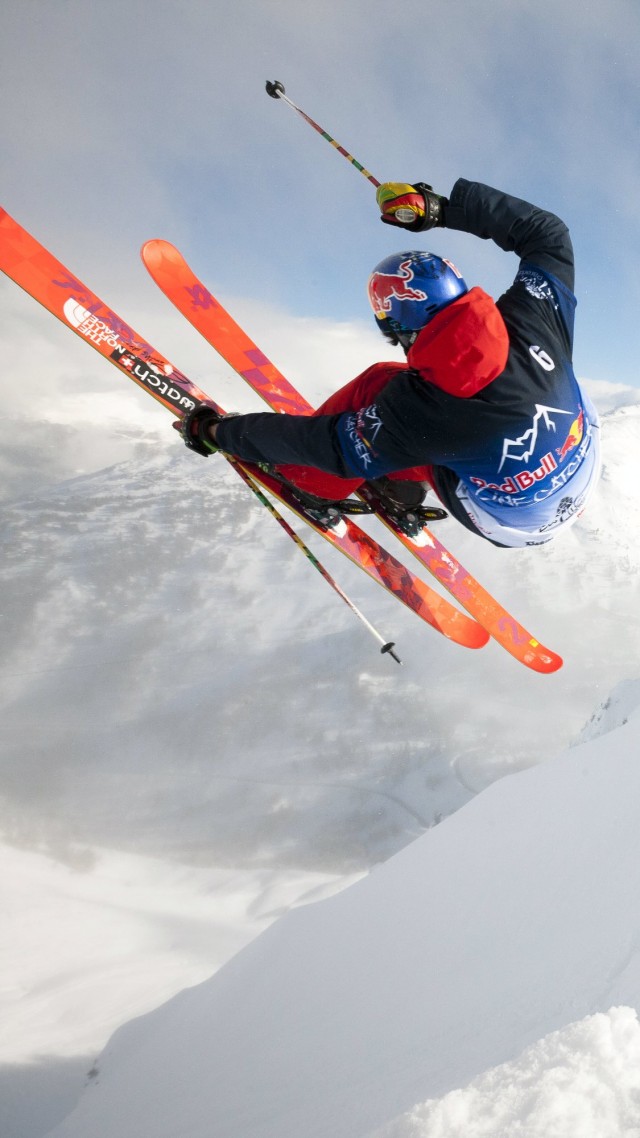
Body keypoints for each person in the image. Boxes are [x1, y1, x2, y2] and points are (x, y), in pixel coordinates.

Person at [179, 178, 600, 547]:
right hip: (579, 474)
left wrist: (219, 431)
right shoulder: (535, 316)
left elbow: (330, 447)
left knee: (379, 386)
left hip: (507, 524)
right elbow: (548, 234)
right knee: (444, 439)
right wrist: (442, 209)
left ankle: (313, 488)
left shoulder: (419, 412)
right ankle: (399, 489)